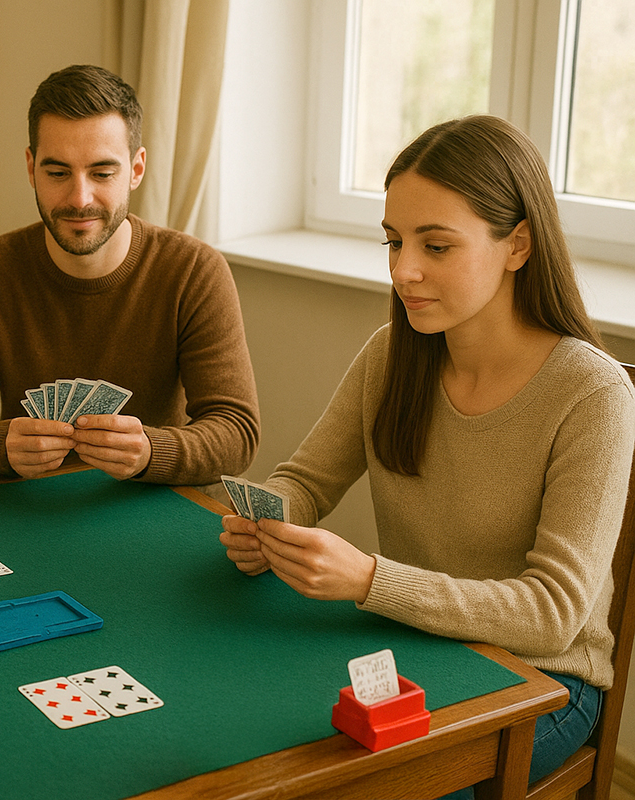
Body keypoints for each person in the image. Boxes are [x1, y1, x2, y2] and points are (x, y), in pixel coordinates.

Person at [219, 115, 635, 793]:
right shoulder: (391, 354)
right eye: (393, 241)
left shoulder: (594, 394)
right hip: (414, 646)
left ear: (518, 246)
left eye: (436, 246)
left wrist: (366, 580)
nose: (403, 270)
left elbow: (553, 613)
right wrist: (272, 524)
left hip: (545, 680)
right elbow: (305, 479)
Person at [0, 64, 259, 488]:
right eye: (57, 173)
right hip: (24, 505)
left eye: (102, 173)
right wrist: (2, 445)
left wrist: (150, 451)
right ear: (31, 167)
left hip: (155, 509)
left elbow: (237, 432)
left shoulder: (194, 271)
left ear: (136, 169)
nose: (79, 198)